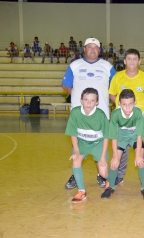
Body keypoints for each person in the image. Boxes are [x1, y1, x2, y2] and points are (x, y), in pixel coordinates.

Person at [62, 37, 116, 190]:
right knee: (79, 146)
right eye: (89, 47)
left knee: (98, 142)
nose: (92, 49)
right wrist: (81, 98)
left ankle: (101, 173)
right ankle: (76, 174)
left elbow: (114, 88)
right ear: (84, 49)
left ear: (99, 50)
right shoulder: (74, 65)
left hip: (102, 114)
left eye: (95, 47)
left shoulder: (107, 66)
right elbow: (66, 85)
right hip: (81, 116)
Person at [109, 48, 144, 186]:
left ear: (139, 61)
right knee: (122, 149)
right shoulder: (117, 77)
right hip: (122, 116)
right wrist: (121, 107)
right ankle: (119, 175)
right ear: (125, 61)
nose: (132, 61)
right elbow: (112, 94)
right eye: (129, 59)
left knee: (141, 146)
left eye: (135, 59)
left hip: (142, 115)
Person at [103, 89, 144, 200]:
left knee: (141, 161)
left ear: (135, 103)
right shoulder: (115, 114)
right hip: (121, 136)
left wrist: (138, 155)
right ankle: (110, 187)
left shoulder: (139, 112)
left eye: (130, 104)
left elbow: (140, 135)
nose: (127, 108)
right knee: (115, 162)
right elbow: (114, 137)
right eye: (124, 104)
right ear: (119, 103)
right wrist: (115, 157)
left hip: (135, 135)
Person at [65, 87, 109, 203]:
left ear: (97, 102)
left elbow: (106, 137)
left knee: (104, 173)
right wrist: (77, 151)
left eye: (92, 100)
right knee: (76, 160)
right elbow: (73, 134)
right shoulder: (75, 113)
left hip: (98, 143)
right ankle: (81, 191)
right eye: (86, 100)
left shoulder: (100, 115)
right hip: (82, 143)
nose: (89, 103)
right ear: (81, 100)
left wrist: (103, 156)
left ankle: (109, 180)